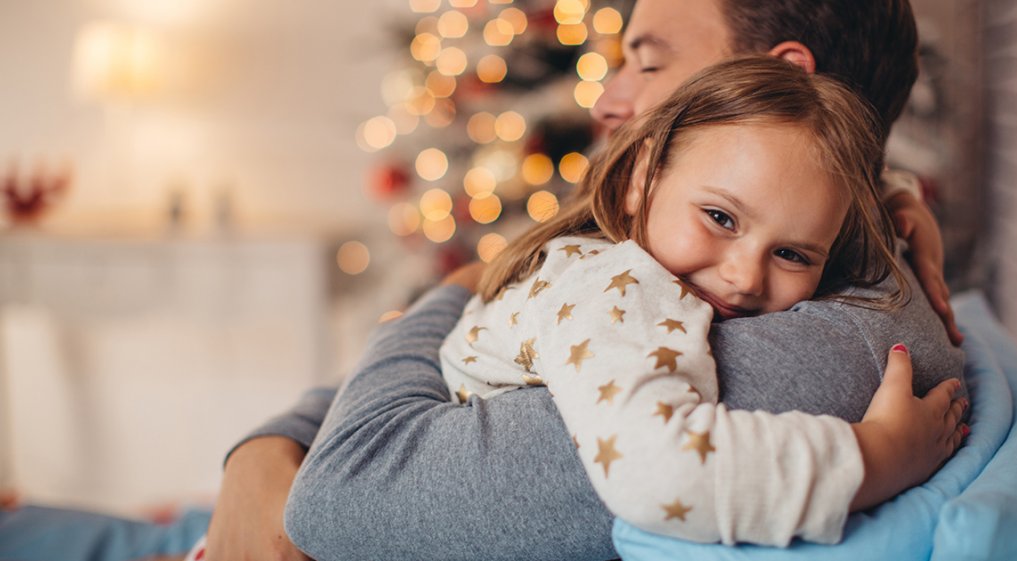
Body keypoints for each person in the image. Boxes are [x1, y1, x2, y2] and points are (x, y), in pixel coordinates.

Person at [202, 2, 969, 560]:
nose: (608, 98)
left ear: (772, 80)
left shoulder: (826, 338)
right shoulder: (638, 276)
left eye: (650, 59)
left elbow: (340, 495)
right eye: (722, 219)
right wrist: (261, 447)